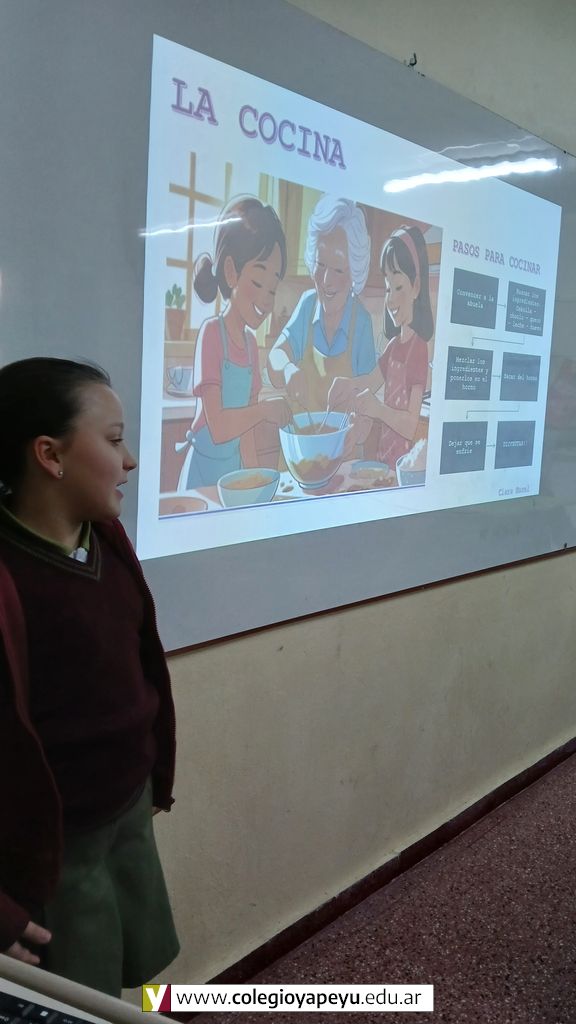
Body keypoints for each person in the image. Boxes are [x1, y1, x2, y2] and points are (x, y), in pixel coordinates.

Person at [0, 358, 179, 997]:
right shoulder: (9, 578)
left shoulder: (106, 537)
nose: (129, 461)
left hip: (126, 813)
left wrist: (152, 770)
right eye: (113, 440)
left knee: (127, 986)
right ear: (49, 455)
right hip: (52, 855)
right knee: (72, 1002)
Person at [178, 196, 291, 490]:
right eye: (258, 283)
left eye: (272, 289)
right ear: (231, 272)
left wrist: (255, 481)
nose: (266, 299)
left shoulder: (252, 346)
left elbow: (246, 434)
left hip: (233, 473)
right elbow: (218, 428)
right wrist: (265, 411)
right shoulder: (211, 334)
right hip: (203, 475)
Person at [328, 225, 433, 470]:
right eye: (388, 288)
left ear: (416, 287)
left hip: (404, 466)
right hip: (384, 458)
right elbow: (371, 381)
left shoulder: (418, 349)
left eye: (398, 288)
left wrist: (377, 409)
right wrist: (347, 385)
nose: (391, 299)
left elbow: (410, 425)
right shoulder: (394, 346)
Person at [267, 195, 376, 414]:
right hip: (298, 435)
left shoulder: (361, 322)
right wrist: (287, 369)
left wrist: (358, 423)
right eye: (321, 264)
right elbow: (274, 357)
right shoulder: (307, 305)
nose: (326, 280)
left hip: (343, 436)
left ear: (354, 271)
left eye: (338, 269)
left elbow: (369, 393)